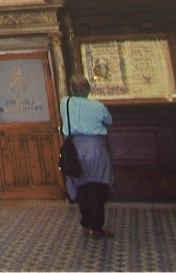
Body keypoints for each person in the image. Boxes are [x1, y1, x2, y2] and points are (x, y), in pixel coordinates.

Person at [61, 77, 115, 239]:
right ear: (88, 89)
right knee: (98, 186)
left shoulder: (65, 103)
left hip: (74, 148)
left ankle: (86, 223)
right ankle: (96, 226)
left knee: (81, 186)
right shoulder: (97, 106)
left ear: (71, 90)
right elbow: (109, 120)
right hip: (95, 147)